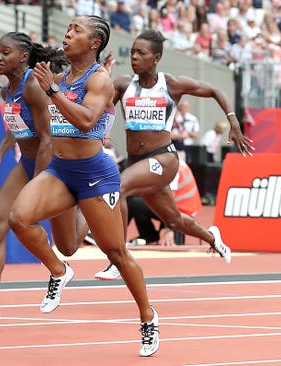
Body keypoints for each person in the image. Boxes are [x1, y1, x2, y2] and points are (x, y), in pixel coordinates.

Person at [7, 16, 159, 357]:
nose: (69, 33)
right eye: (69, 28)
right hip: (60, 170)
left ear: (94, 43)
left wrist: (53, 92)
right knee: (22, 220)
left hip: (95, 173)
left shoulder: (99, 80)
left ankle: (148, 317)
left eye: (77, 30)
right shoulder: (62, 77)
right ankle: (59, 271)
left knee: (116, 253)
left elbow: (86, 119)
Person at [94, 29, 254, 280]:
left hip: (164, 158)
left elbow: (213, 90)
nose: (134, 57)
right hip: (138, 161)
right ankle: (213, 237)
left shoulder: (170, 85)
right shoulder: (124, 85)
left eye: (141, 53)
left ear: (155, 58)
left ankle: (118, 256)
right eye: (133, 52)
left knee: (119, 187)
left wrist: (233, 121)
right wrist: (101, 78)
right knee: (174, 220)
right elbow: (99, 109)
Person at [0, 32, 88, 324]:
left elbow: (48, 139)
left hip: (53, 166)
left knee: (68, 246)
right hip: (28, 164)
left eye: (5, 53)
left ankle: (86, 204)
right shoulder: (8, 90)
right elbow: (16, 125)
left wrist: (39, 185)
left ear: (23, 57)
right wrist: (1, 152)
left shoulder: (33, 87)